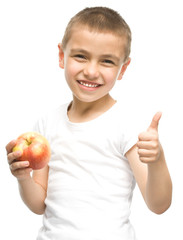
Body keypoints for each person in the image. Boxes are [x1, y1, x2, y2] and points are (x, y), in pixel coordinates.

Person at [6, 6, 172, 240]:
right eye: (81, 56)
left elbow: (159, 204)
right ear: (62, 56)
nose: (91, 71)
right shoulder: (47, 123)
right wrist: (23, 178)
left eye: (106, 61)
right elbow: (39, 205)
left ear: (123, 69)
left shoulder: (128, 125)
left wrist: (157, 159)